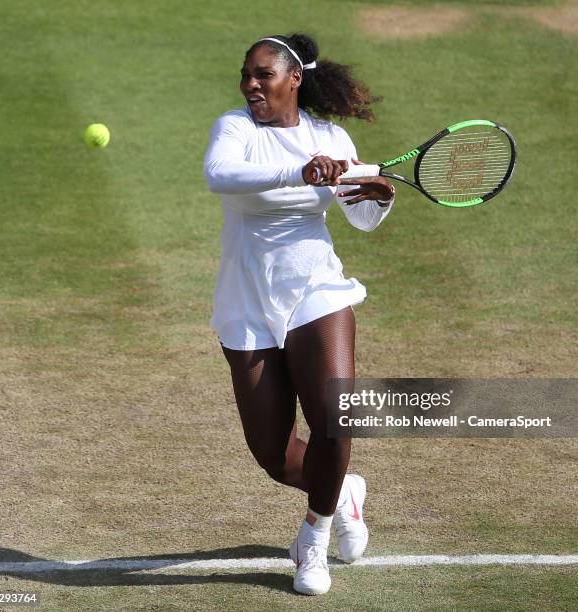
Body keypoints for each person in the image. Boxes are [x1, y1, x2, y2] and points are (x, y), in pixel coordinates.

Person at [203, 33, 395, 596]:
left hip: (315, 288)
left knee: (335, 416)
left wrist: (376, 195)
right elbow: (220, 175)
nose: (250, 85)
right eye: (247, 74)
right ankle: (345, 491)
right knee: (274, 455)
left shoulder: (331, 137)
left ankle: (315, 539)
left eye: (263, 75)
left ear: (294, 80)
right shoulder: (235, 129)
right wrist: (301, 173)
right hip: (245, 300)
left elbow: (360, 218)